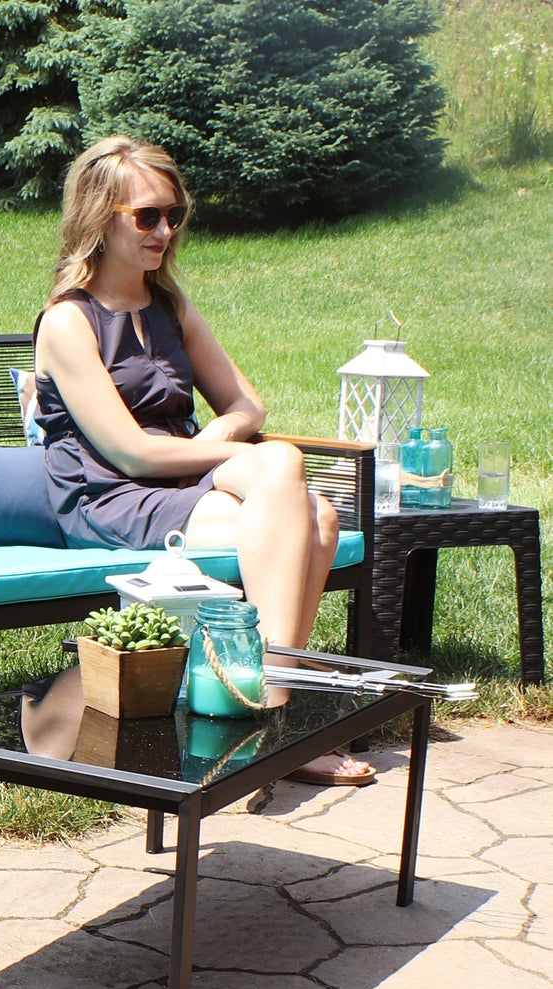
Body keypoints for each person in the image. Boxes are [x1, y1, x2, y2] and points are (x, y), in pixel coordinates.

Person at [34, 135, 374, 787]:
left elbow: (247, 402)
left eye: (172, 215)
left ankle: (262, 702)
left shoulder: (168, 305)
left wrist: (214, 441)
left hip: (183, 477)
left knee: (303, 496)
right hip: (114, 497)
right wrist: (217, 453)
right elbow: (125, 449)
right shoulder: (67, 322)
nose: (164, 230)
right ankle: (274, 719)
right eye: (146, 216)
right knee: (307, 509)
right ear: (98, 218)